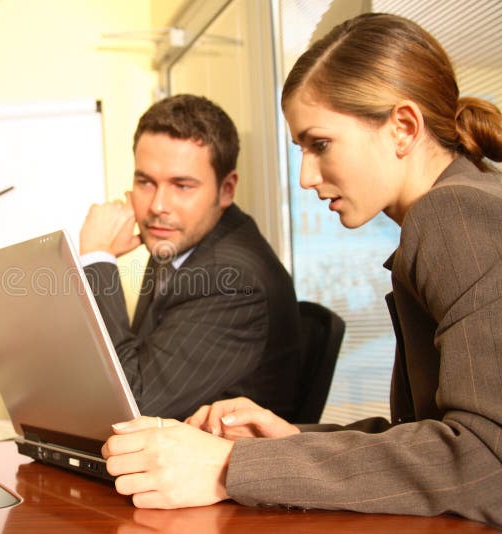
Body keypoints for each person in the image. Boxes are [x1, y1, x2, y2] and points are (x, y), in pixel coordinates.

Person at [100, 13, 502, 528]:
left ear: (403, 127)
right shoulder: (454, 212)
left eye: (321, 145)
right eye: (301, 150)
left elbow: (485, 460)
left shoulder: (455, 215)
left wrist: (230, 466)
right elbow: (430, 433)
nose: (307, 176)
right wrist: (292, 440)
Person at [79, 94, 300, 421]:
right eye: (145, 182)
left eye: (182, 185)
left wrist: (98, 259)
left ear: (226, 189)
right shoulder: (180, 237)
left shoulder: (231, 278)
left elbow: (134, 409)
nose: (157, 206)